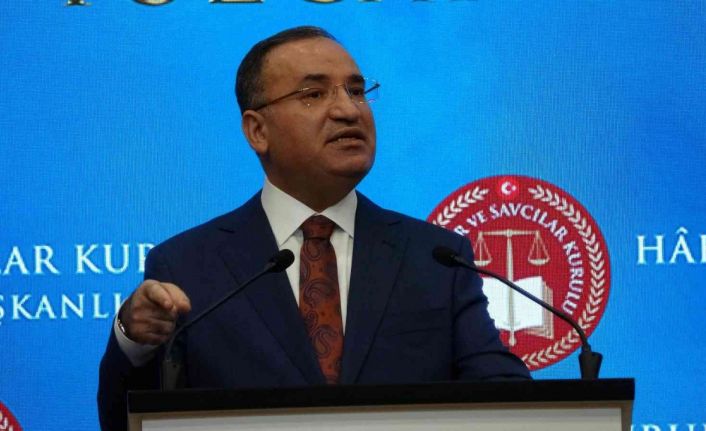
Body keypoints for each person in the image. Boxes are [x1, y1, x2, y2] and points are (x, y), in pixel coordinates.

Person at [97, 26, 530, 431]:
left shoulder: (436, 257)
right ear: (257, 130)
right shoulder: (187, 264)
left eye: (356, 91)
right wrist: (134, 340)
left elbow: (504, 399)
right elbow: (129, 421)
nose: (348, 110)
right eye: (314, 94)